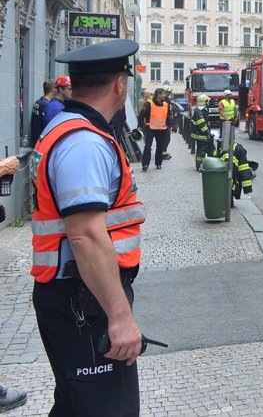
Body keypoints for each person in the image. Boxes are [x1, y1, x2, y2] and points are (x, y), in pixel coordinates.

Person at [30, 38, 145, 416]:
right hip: (82, 298)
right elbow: (86, 234)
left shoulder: (68, 128)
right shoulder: (84, 142)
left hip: (75, 292)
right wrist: (119, 316)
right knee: (106, 407)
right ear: (120, 85)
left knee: (76, 404)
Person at [138, 88, 172, 172]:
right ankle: (145, 164)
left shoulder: (165, 105)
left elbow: (168, 116)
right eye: (162, 94)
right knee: (148, 146)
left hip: (162, 129)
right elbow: (142, 115)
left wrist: (170, 125)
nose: (164, 95)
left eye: (164, 93)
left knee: (160, 147)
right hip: (150, 128)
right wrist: (139, 126)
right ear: (157, 95)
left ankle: (158, 163)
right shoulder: (149, 104)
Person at [30, 79, 57, 147]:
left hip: (35, 141)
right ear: (54, 90)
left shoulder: (37, 102)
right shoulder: (46, 105)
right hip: (41, 143)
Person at [191, 95, 213, 172]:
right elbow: (201, 124)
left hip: (200, 134)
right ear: (205, 101)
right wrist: (208, 133)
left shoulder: (200, 110)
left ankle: (200, 165)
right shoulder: (200, 111)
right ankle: (200, 165)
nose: (209, 102)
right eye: (207, 101)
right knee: (202, 151)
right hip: (201, 135)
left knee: (201, 150)